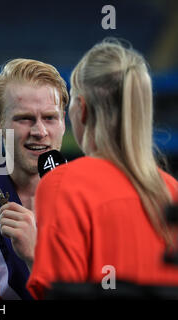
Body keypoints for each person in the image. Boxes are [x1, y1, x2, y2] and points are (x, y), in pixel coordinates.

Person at [27, 39, 178, 300]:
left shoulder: (63, 184)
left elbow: (56, 293)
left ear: (82, 109)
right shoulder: (173, 192)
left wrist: (33, 255)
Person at [0, 58, 68, 299]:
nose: (39, 132)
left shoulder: (94, 199)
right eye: (24, 119)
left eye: (50, 117)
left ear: (63, 124)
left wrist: (36, 256)